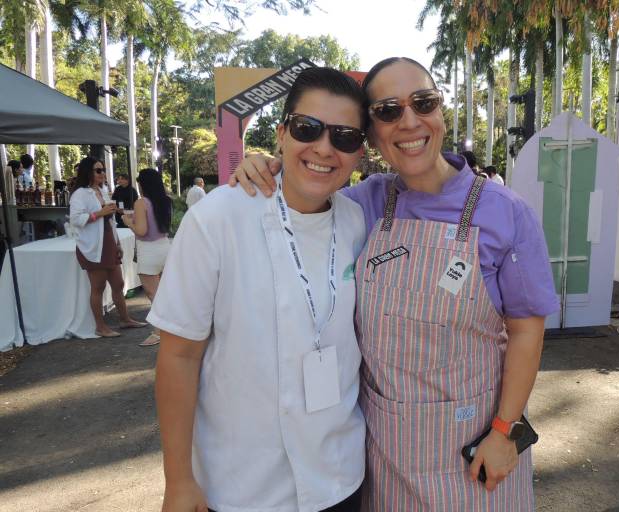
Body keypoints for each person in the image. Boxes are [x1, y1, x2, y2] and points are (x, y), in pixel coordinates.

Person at [232, 57, 558, 511]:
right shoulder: (362, 204)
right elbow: (303, 193)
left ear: (440, 111)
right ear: (372, 133)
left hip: (477, 451)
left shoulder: (506, 212)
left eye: (422, 102)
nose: (409, 121)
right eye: (387, 110)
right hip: (384, 453)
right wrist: (267, 165)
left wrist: (505, 431)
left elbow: (526, 329)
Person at [149, 67, 369, 512]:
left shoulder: (357, 221)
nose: (324, 148)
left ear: (360, 152)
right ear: (282, 133)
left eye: (344, 137)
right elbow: (178, 355)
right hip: (241, 487)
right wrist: (178, 480)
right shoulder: (218, 219)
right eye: (309, 128)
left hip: (341, 477)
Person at [68, 157, 146, 338]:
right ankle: (100, 326)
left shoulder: (102, 190)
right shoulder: (80, 194)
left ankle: (125, 319)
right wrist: (99, 213)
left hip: (108, 240)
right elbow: (76, 220)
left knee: (118, 283)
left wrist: (117, 242)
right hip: (93, 244)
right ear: (88, 172)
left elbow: (110, 219)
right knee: (98, 286)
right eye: (98, 170)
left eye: (103, 170)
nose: (103, 173)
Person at [122, 169, 172, 347]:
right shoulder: (165, 201)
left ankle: (159, 332)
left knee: (154, 294)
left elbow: (141, 231)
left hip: (148, 251)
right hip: (165, 247)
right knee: (166, 292)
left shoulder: (141, 203)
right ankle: (169, 328)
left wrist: (128, 222)